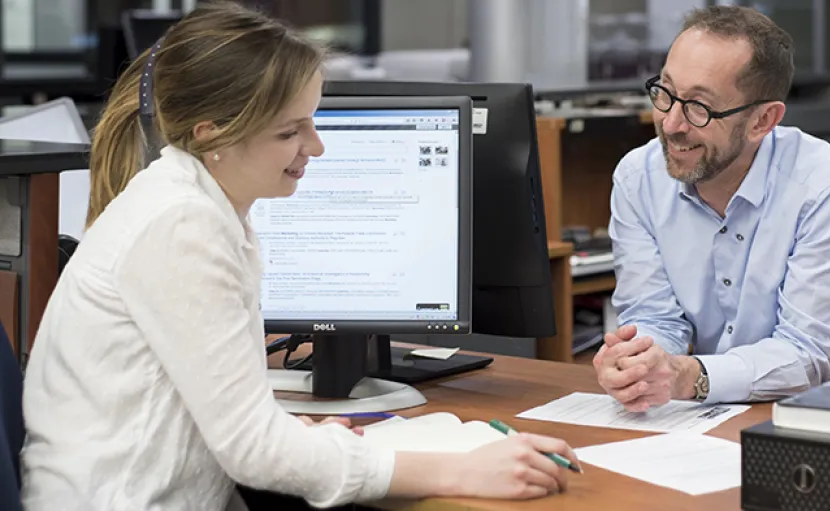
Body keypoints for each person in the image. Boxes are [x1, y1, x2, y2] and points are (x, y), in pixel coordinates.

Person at [19, 2, 579, 510]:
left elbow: (232, 424)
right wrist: (459, 471)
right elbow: (253, 452)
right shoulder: (181, 225)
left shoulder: (198, 204)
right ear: (211, 134)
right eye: (291, 131)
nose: (316, 146)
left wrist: (305, 443)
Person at [594, 5, 830, 413]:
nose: (670, 124)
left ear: (763, 121)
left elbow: (807, 353)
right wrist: (639, 362)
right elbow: (654, 318)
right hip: (713, 414)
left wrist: (689, 376)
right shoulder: (639, 178)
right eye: (665, 93)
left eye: (699, 107)